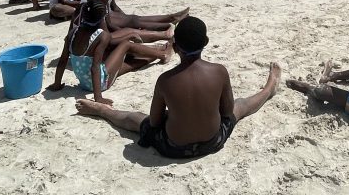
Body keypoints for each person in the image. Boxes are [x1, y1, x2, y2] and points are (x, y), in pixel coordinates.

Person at [74, 16, 281, 159]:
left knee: (137, 119)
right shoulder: (219, 71)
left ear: (175, 46)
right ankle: (268, 89)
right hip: (213, 140)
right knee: (239, 106)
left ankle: (102, 110)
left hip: (173, 148)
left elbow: (154, 122)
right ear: (206, 42)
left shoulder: (166, 80)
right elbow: (227, 112)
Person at [47, 0, 165, 104]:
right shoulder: (102, 36)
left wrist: (57, 84)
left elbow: (63, 60)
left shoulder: (73, 33)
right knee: (126, 45)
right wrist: (98, 98)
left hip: (84, 83)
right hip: (100, 83)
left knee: (132, 64)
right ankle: (162, 55)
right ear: (102, 18)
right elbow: (95, 67)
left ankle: (158, 52)